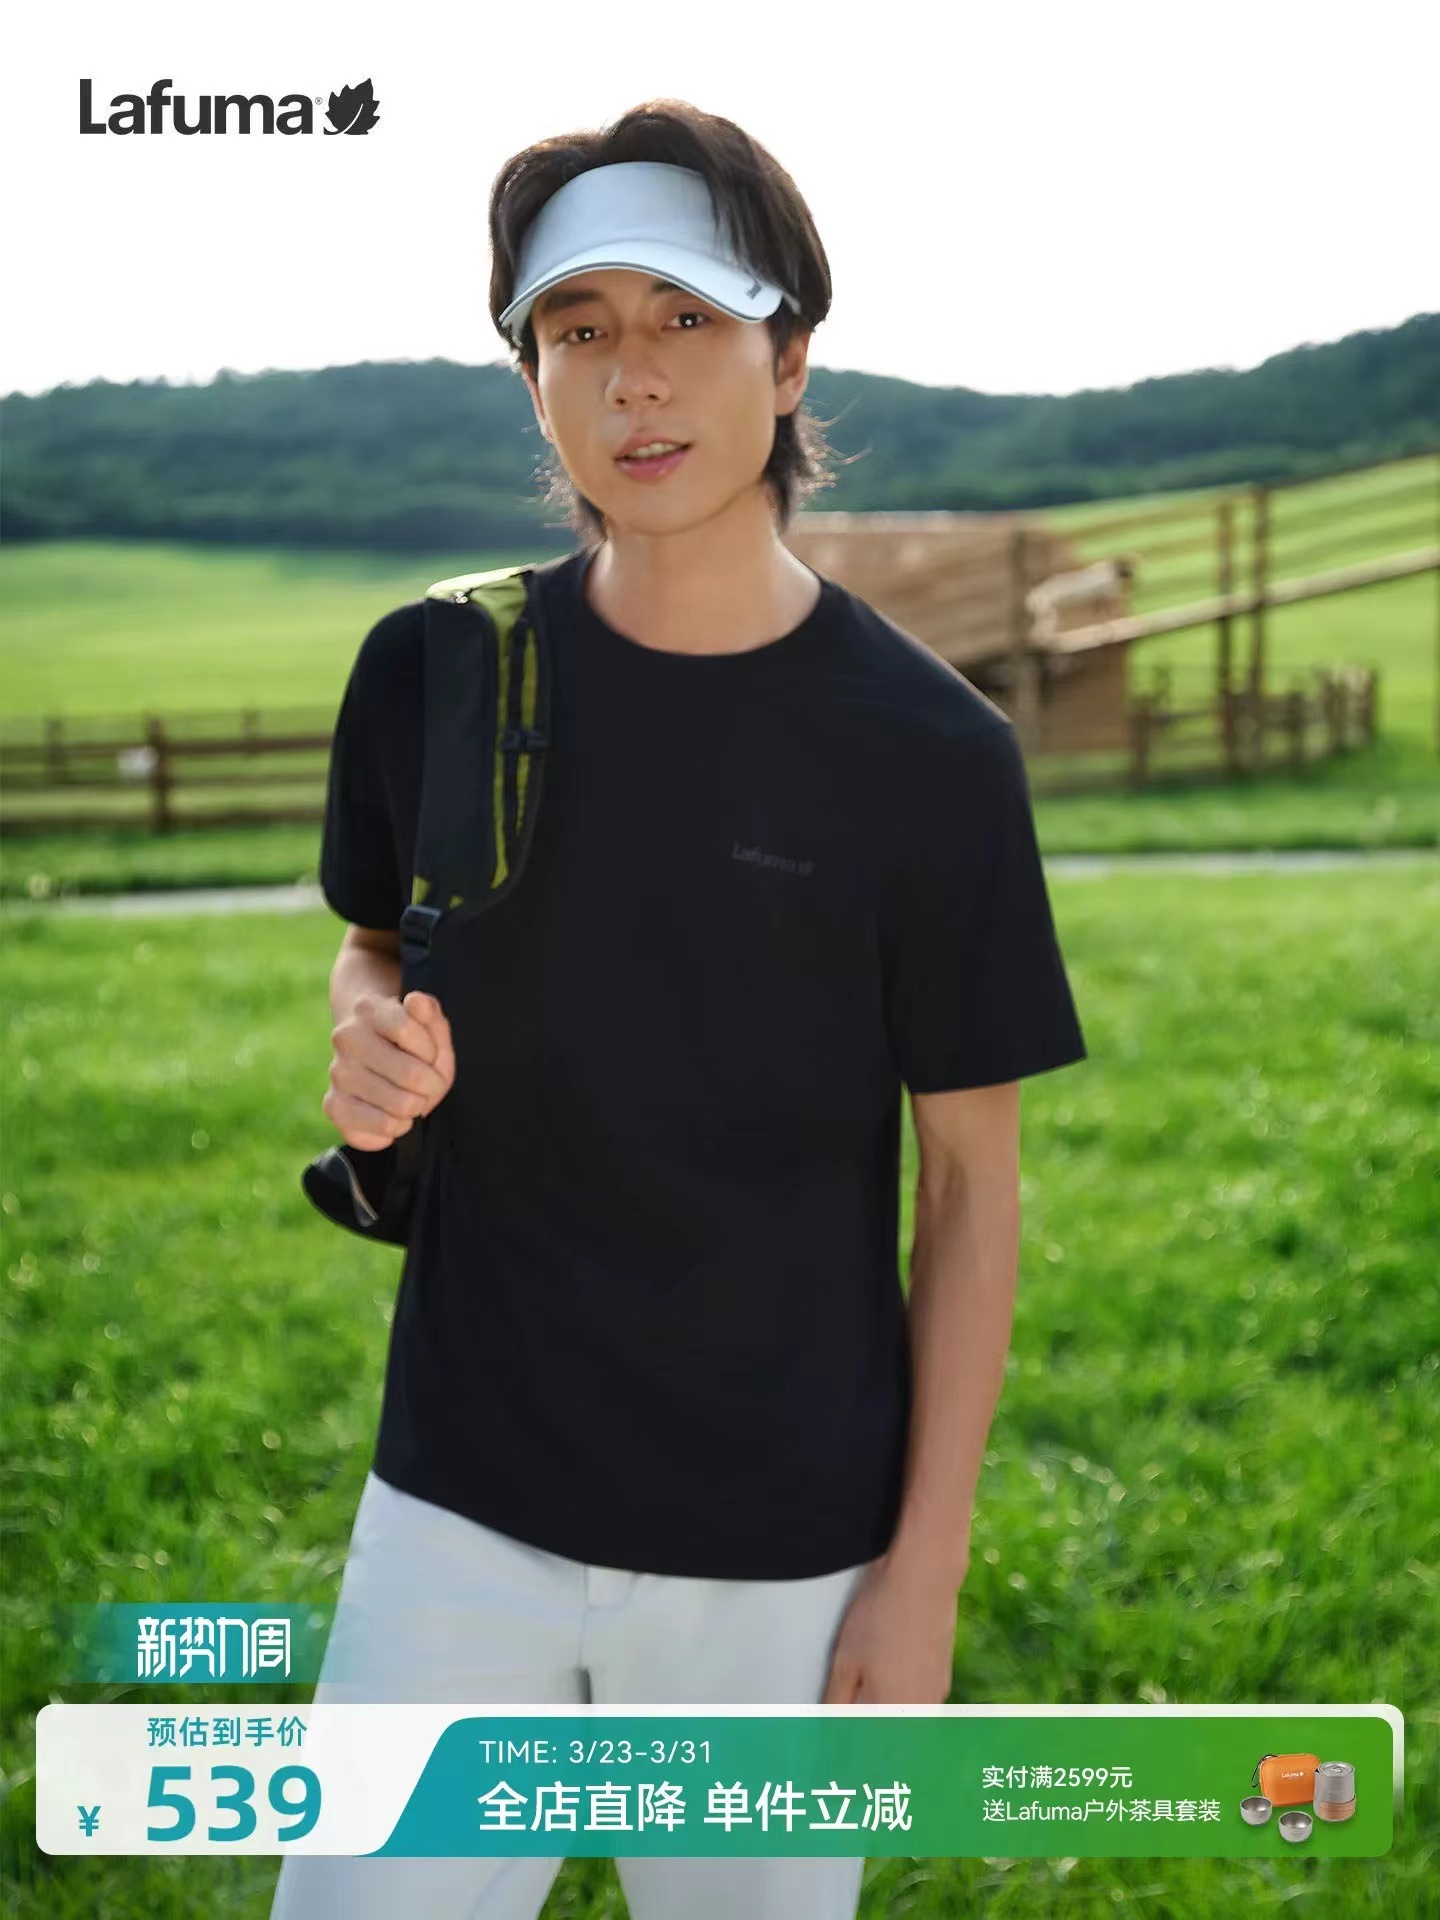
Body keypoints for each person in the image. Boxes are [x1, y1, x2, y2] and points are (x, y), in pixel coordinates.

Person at [270, 96, 1087, 1920]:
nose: (633, 377)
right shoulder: (436, 665)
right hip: (454, 1506)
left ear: (789, 360)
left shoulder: (931, 757)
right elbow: (379, 941)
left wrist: (922, 1577)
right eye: (579, 330)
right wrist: (368, 1028)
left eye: (687, 320)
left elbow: (972, 1191)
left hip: (777, 1550)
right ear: (532, 381)